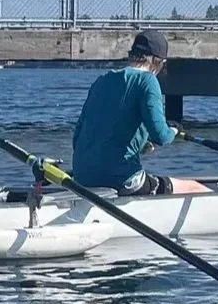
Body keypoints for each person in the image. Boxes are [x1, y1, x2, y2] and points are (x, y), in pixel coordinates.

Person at [70, 29, 209, 196]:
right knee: (193, 187)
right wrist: (173, 130)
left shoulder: (102, 80)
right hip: (122, 180)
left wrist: (143, 146)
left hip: (81, 177)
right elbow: (161, 136)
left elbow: (77, 137)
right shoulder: (147, 81)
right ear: (158, 62)